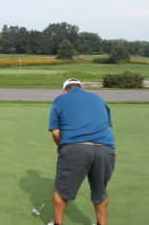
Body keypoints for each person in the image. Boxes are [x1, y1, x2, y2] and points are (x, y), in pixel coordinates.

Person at [47, 78, 115, 225]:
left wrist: (62, 147)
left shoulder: (60, 100)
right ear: (81, 88)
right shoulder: (98, 98)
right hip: (106, 149)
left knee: (61, 191)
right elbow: (109, 128)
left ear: (65, 90)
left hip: (75, 148)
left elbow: (55, 132)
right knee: (100, 190)